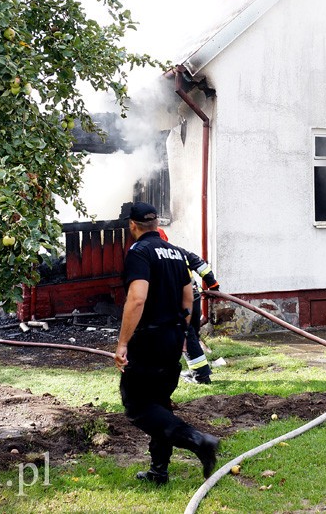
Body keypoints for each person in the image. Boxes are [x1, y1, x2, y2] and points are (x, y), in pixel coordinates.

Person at [115, 202, 219, 485]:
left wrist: (123, 342)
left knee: (136, 405)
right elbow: (188, 297)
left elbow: (137, 298)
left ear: (133, 226)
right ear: (156, 225)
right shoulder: (175, 253)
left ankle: (199, 441)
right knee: (159, 402)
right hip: (173, 337)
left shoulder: (139, 253)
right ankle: (158, 470)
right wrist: (180, 330)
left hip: (149, 338)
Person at [158, 228, 220, 384]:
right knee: (190, 335)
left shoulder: (155, 256)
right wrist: (213, 285)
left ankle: (201, 376)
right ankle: (190, 370)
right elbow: (202, 266)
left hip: (180, 301)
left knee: (187, 336)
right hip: (195, 297)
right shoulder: (179, 252)